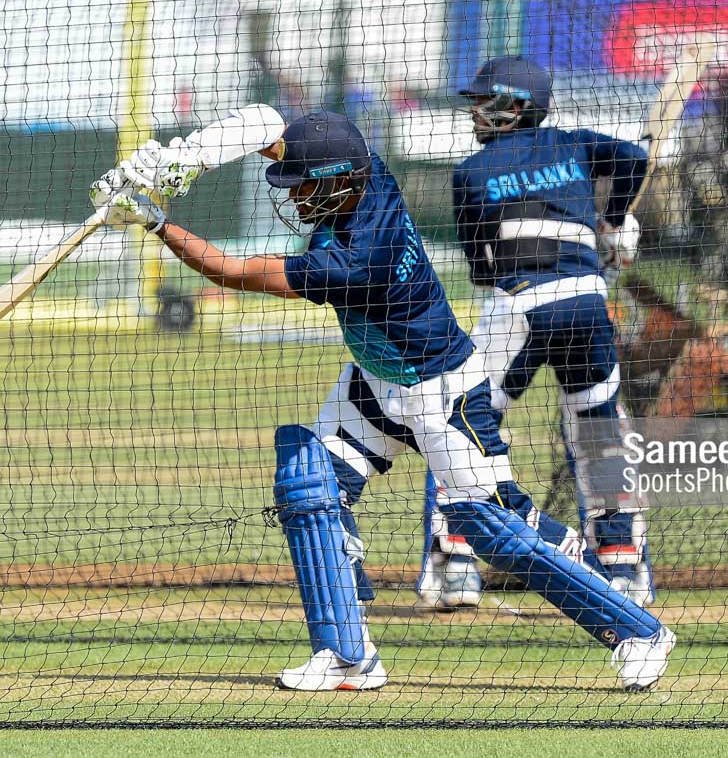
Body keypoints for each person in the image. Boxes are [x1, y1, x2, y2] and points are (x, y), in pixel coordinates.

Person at [89, 110, 675, 692]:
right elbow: (267, 126)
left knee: (496, 529)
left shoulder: (353, 261)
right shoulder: (370, 176)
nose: (294, 199)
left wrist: (157, 222)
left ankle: (638, 631)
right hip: (375, 378)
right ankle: (346, 655)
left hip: (441, 392)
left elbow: (235, 271)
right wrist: (177, 161)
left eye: (305, 189)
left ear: (340, 184)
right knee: (309, 481)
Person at [417, 56, 655, 610]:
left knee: (460, 422)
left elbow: (482, 271)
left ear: (513, 107)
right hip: (587, 304)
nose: (473, 110)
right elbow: (635, 159)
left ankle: (456, 567)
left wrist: (599, 231)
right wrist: (612, 227)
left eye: (483, 100)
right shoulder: (574, 144)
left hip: (521, 307)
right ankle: (624, 573)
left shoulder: (471, 174)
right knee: (599, 431)